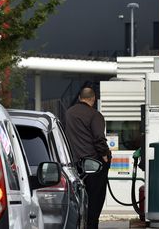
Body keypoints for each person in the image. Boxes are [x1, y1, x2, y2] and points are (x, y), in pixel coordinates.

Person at [65, 86, 111, 229]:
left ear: (79, 98)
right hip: (93, 166)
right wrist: (105, 155)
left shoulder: (68, 113)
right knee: (95, 202)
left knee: (76, 201)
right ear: (93, 99)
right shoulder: (95, 115)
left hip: (73, 165)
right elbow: (99, 138)